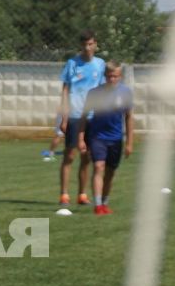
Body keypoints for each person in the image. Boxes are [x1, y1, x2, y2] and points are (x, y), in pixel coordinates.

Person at [55, 31, 106, 211]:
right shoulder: (72, 64)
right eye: (84, 44)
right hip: (75, 115)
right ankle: (64, 194)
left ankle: (82, 194)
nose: (87, 47)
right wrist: (64, 116)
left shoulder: (100, 65)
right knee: (69, 155)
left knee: (88, 157)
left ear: (95, 44)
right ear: (80, 46)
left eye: (90, 44)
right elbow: (65, 91)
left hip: (93, 117)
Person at [83, 61, 134, 216]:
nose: (112, 79)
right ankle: (98, 205)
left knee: (110, 172)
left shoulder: (126, 93)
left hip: (116, 138)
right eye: (109, 76)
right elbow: (84, 117)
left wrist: (129, 143)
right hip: (97, 136)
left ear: (120, 76)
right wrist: (80, 138)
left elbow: (129, 117)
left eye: (115, 76)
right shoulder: (94, 93)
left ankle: (105, 202)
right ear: (105, 76)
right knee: (98, 167)